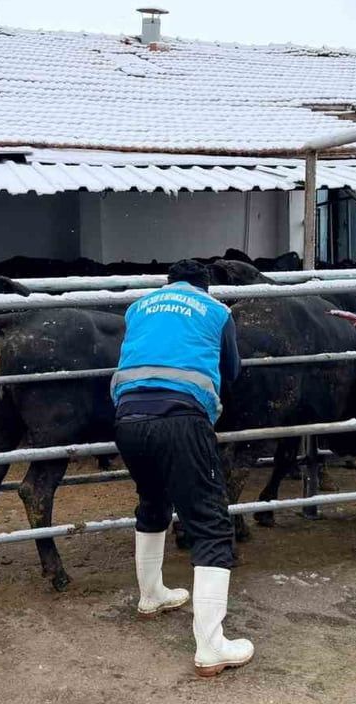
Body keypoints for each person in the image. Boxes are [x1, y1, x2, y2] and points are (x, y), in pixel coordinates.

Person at [110, 259, 251, 677]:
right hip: (181, 419)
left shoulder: (140, 306)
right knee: (210, 524)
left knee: (153, 500)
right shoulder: (216, 310)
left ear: (168, 283)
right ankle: (211, 646)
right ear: (205, 287)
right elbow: (232, 371)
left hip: (128, 418)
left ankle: (150, 595)